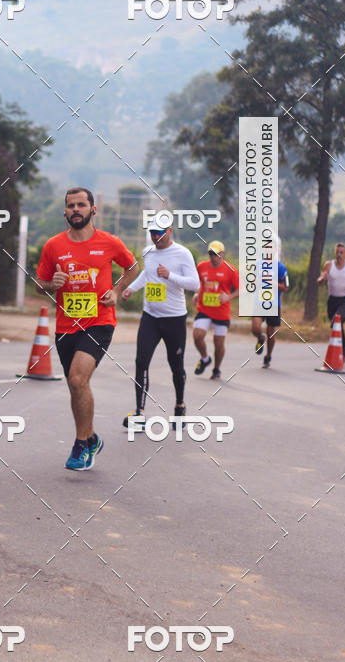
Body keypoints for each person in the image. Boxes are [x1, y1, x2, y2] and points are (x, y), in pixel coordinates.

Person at [36, 187, 138, 470]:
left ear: (93, 210)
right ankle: (91, 438)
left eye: (81, 205)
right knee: (74, 384)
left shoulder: (109, 242)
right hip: (66, 325)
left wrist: (116, 290)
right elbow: (39, 283)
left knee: (78, 379)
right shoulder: (53, 246)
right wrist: (51, 284)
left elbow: (132, 267)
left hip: (99, 321)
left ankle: (80, 445)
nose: (76, 210)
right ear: (65, 211)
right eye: (71, 205)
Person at [121, 217, 199, 427]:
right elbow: (146, 274)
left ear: (169, 231)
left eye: (159, 232)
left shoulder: (182, 253)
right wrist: (131, 289)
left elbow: (195, 284)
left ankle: (179, 407)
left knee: (176, 366)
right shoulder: (148, 252)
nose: (155, 236)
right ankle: (139, 413)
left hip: (174, 319)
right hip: (150, 317)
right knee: (141, 361)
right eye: (152, 232)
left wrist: (170, 275)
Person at [192, 240, 239, 380]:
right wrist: (197, 293)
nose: (213, 257)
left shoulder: (230, 270)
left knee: (218, 343)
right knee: (197, 336)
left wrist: (229, 296)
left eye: (216, 254)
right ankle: (205, 358)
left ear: (222, 254)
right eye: (211, 254)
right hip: (204, 309)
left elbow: (241, 289)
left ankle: (217, 369)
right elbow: (199, 282)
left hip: (221, 312)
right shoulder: (201, 266)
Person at [317, 242, 345, 362]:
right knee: (336, 325)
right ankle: (343, 350)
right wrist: (322, 279)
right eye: (337, 252)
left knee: (337, 320)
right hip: (332, 300)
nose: (339, 255)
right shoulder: (329, 265)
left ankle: (343, 352)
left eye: (341, 252)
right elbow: (320, 281)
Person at [251, 259, 289, 368]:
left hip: (274, 304)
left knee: (270, 332)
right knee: (255, 328)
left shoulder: (281, 267)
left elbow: (285, 287)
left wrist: (271, 282)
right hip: (259, 302)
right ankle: (260, 338)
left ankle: (268, 356)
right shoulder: (257, 264)